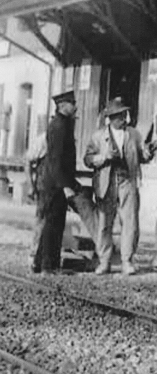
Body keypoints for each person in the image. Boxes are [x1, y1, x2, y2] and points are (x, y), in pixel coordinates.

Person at [84, 97, 155, 276]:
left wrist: (148, 153)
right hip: (106, 183)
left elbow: (142, 157)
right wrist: (103, 157)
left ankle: (126, 261)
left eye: (124, 114)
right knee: (104, 224)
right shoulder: (98, 136)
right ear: (111, 118)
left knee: (130, 222)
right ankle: (104, 261)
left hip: (128, 182)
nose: (123, 118)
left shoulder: (134, 134)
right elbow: (87, 159)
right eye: (119, 116)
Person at [33, 90, 79, 274]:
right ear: (62, 106)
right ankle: (49, 265)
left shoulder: (63, 124)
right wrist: (65, 186)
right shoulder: (59, 125)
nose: (75, 106)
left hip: (55, 182)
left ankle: (39, 263)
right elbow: (55, 160)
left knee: (51, 223)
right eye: (71, 103)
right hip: (55, 184)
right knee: (54, 224)